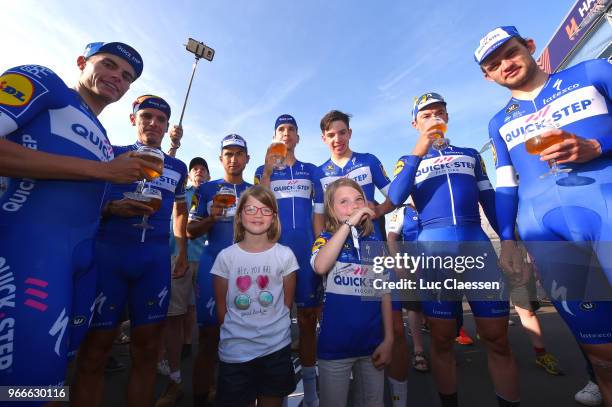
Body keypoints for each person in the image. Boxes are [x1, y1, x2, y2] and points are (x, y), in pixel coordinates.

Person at [0, 41, 156, 389]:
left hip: (82, 266)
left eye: (127, 76)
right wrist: (103, 172)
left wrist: (112, 206)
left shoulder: (103, 137)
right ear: (82, 62)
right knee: (25, 389)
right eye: (110, 64)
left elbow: (72, 195)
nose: (118, 77)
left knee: (54, 381)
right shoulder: (45, 83)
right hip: (29, 258)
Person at [476, 25, 612, 404]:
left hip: (606, 211)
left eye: (510, 53)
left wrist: (598, 145)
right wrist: (507, 241)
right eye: (493, 64)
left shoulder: (593, 73)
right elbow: (506, 185)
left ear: (530, 47)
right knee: (602, 358)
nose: (505, 65)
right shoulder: (499, 123)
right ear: (488, 76)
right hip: (547, 235)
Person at [389, 92, 520, 407]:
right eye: (426, 114)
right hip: (434, 253)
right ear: (415, 122)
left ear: (447, 116)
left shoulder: (471, 154)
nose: (433, 117)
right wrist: (418, 151)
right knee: (443, 339)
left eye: (438, 112)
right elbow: (394, 196)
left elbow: (491, 201)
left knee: (498, 338)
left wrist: (509, 241)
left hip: (477, 248)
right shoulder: (408, 161)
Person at [72, 95, 188, 407]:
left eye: (160, 119)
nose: (153, 123)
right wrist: (110, 208)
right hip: (109, 259)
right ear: (133, 120)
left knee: (148, 351)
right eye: (146, 116)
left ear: (167, 127)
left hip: (153, 263)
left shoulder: (177, 167)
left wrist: (183, 252)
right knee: (95, 351)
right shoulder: (111, 154)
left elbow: (180, 212)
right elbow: (84, 203)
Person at [254, 114, 321, 407]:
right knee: (271, 319)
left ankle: (312, 391)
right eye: (281, 129)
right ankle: (270, 391)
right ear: (274, 137)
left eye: (291, 129)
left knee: (307, 321)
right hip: (274, 255)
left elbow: (320, 211)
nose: (286, 133)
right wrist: (268, 171)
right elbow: (259, 206)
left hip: (306, 254)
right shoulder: (262, 170)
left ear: (297, 137)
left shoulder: (311, 170)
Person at [212, 185, 297, 406]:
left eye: (265, 210)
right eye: (250, 209)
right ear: (239, 216)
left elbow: (287, 303)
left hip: (276, 349)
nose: (258, 215)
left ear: (274, 217)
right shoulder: (225, 257)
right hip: (236, 352)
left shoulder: (285, 255)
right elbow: (222, 309)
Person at [311, 178, 393, 407]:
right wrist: (347, 226)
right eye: (344, 202)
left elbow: (384, 293)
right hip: (334, 349)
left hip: (372, 347)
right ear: (331, 210)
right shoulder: (325, 240)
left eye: (358, 199)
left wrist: (389, 339)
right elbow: (320, 266)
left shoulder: (374, 243)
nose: (354, 206)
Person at [187, 133, 252, 406]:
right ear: (221, 158)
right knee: (209, 337)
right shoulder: (205, 190)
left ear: (247, 159)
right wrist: (211, 218)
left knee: (246, 339)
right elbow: (190, 230)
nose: (233, 158)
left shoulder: (254, 191)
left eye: (239, 153)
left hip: (248, 271)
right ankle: (201, 400)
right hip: (213, 267)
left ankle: (238, 397)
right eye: (228, 153)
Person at [156, 156, 211, 406]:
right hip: (179, 257)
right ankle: (175, 380)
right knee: (174, 315)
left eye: (203, 169)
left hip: (209, 260)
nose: (199, 172)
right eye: (195, 169)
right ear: (189, 175)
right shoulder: (180, 191)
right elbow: (157, 171)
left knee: (209, 321)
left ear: (209, 175)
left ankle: (209, 382)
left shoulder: (215, 192)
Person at [313, 110, 394, 238]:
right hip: (340, 249)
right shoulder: (319, 173)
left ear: (349, 133)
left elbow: (395, 197)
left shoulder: (369, 161)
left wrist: (379, 210)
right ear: (324, 139)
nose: (337, 139)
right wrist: (320, 246)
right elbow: (319, 215)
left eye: (342, 132)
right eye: (331, 135)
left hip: (373, 241)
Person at [387, 204, 430, 375]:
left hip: (438, 261)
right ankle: (419, 350)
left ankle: (443, 349)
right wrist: (398, 264)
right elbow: (391, 237)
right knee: (413, 307)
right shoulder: (402, 211)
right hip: (411, 265)